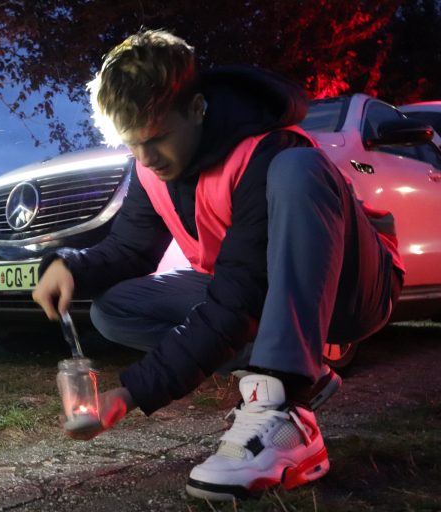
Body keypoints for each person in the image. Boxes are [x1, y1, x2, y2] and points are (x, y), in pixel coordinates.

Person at [32, 30, 404, 500]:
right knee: (116, 308)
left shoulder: (267, 149)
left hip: (355, 290)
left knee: (299, 169)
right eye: (131, 144)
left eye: (158, 137)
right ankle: (299, 368)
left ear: (196, 108)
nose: (146, 157)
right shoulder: (149, 167)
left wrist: (128, 394)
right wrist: (70, 266)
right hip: (254, 289)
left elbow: (239, 297)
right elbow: (130, 249)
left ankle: (285, 413)